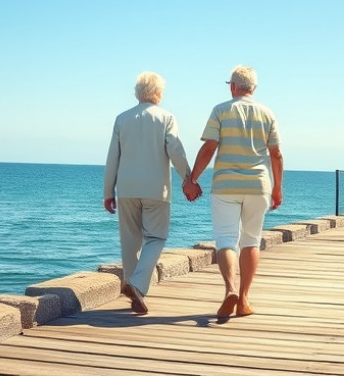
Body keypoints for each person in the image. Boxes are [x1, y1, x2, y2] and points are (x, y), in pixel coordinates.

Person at [185, 65, 283, 319]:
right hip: (258, 186)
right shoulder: (267, 114)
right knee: (251, 240)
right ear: (254, 88)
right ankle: (244, 299)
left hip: (225, 186)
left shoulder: (221, 111)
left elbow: (208, 148)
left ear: (232, 86)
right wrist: (277, 189)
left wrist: (192, 179)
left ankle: (230, 289)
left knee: (226, 240)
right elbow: (276, 154)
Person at [104, 72, 201, 315]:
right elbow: (175, 150)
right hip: (157, 190)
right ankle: (136, 286)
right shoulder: (166, 118)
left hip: (126, 189)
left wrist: (108, 191)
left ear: (137, 93)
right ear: (159, 93)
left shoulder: (122, 119)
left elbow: (112, 158)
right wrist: (188, 178)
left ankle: (133, 291)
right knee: (156, 238)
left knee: (130, 241)